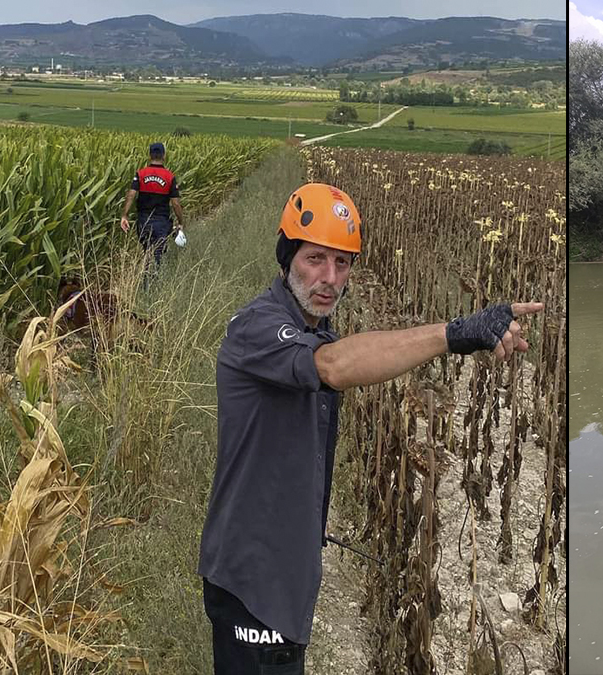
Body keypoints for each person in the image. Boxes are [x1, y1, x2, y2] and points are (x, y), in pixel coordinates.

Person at [196, 182, 542, 674]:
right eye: (315, 259)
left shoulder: (314, 328)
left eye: (343, 263)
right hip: (254, 574)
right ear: (285, 254)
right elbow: (334, 367)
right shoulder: (258, 327)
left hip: (286, 564)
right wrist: (455, 334)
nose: (330, 278)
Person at [119, 142, 185, 273]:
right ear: (164, 156)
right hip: (161, 221)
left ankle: (146, 278)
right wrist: (181, 222)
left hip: (143, 220)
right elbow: (176, 203)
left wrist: (124, 215)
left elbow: (131, 194)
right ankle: (154, 281)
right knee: (158, 253)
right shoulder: (169, 177)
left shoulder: (141, 174)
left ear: (150, 155)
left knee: (147, 249)